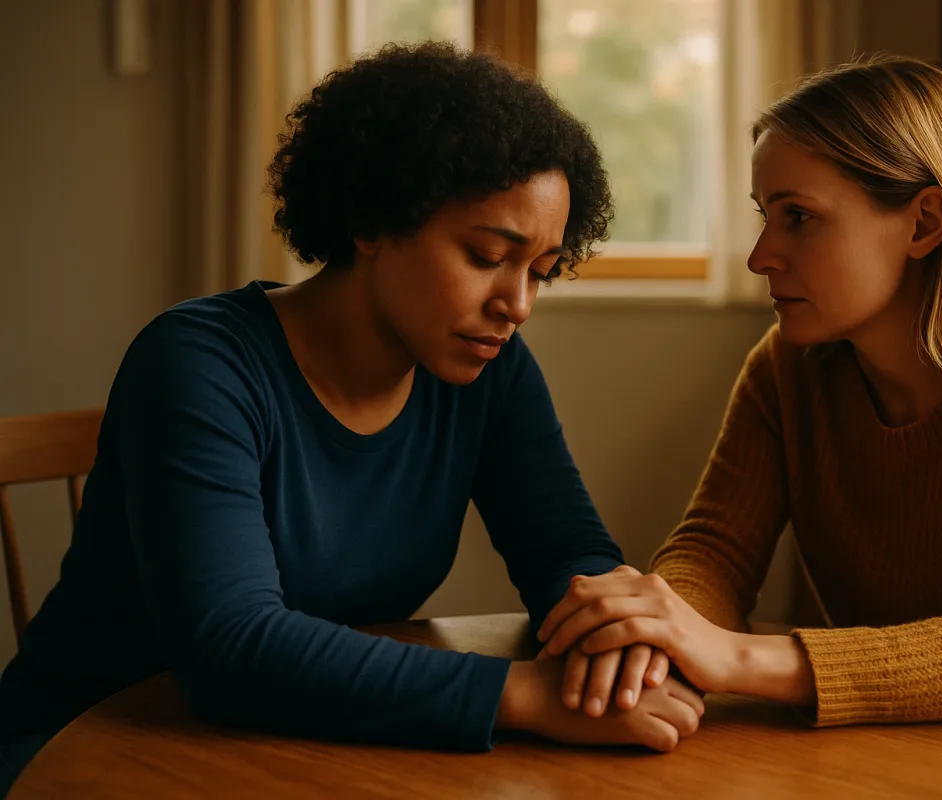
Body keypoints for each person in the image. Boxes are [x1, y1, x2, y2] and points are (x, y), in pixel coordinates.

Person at [0, 43, 704, 795]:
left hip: (298, 743)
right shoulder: (199, 363)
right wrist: (527, 696)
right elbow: (231, 649)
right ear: (373, 219)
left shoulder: (486, 368)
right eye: (484, 254)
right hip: (94, 745)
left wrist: (613, 650)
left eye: (540, 271)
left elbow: (568, 555)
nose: (517, 305)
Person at [535, 56, 942, 797]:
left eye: (800, 217)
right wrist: (654, 640)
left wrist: (736, 658)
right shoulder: (788, 368)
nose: (762, 256)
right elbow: (715, 550)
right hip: (911, 734)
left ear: (923, 223)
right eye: (765, 215)